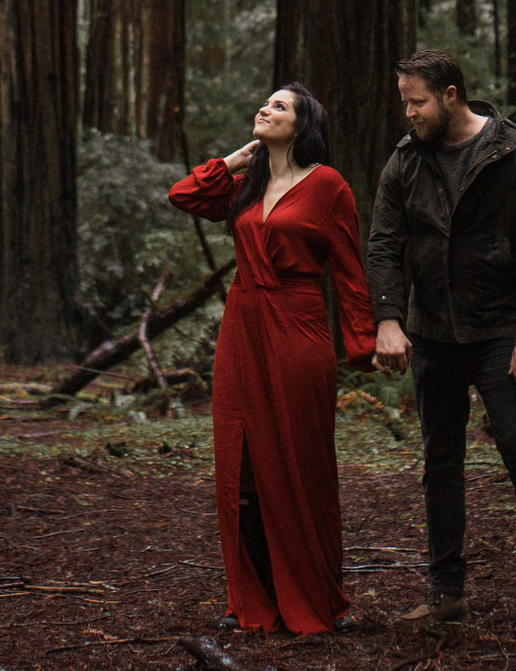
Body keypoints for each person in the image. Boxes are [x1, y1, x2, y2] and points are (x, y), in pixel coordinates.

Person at [368, 49, 516, 639]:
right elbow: (384, 244)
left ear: (452, 94)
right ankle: (446, 593)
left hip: (499, 329)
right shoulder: (405, 161)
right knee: (440, 461)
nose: (409, 113)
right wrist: (388, 319)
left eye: (418, 101)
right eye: (405, 102)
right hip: (433, 330)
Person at [168, 84, 376, 635]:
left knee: (300, 464)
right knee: (240, 467)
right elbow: (185, 195)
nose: (265, 108)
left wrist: (362, 342)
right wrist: (236, 159)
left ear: (304, 123)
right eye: (263, 103)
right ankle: (253, 600)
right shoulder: (244, 185)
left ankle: (315, 598)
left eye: (279, 106)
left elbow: (351, 271)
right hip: (242, 327)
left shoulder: (327, 185)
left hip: (298, 325)